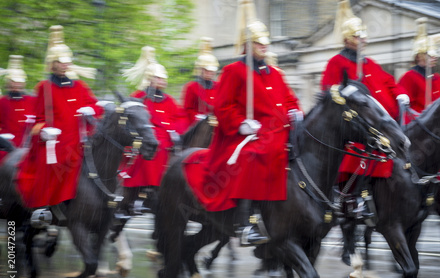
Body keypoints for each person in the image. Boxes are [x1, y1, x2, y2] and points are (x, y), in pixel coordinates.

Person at [183, 0, 302, 246]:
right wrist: (241, 123)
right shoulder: (234, 71)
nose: (264, 46)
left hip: (280, 133)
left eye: (265, 42)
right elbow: (222, 106)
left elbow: (289, 99)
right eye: (259, 42)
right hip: (248, 136)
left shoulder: (275, 73)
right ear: (248, 44)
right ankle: (245, 223)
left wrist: (295, 112)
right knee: (250, 156)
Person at [15, 25, 103, 213]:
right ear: (53, 63)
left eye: (67, 61)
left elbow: (95, 106)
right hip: (54, 144)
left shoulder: (79, 86)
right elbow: (36, 121)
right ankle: (42, 207)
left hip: (77, 142)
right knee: (48, 168)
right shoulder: (44, 88)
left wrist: (91, 109)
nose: (65, 64)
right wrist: (45, 130)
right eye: (61, 61)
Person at [119, 46, 190, 215]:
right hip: (144, 138)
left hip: (166, 140)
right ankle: (141, 194)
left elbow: (181, 117)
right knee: (151, 150)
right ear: (151, 80)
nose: (163, 82)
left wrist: (175, 131)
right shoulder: (138, 97)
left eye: (163, 79)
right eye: (159, 78)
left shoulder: (169, 100)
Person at [321, 0, 409, 120]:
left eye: (364, 36)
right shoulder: (336, 62)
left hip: (389, 119)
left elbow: (390, 82)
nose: (364, 40)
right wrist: (344, 92)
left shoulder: (370, 62)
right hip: (365, 123)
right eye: (358, 37)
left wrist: (400, 94)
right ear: (347, 39)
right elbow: (328, 92)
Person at [398, 18, 440, 124]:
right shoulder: (409, 77)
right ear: (419, 56)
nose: (435, 57)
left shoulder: (438, 78)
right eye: (430, 55)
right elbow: (405, 109)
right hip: (420, 125)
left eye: (435, 55)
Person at [0, 55, 36, 161]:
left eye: (19, 82)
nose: (17, 85)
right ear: (9, 83)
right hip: (6, 146)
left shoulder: (32, 101)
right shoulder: (2, 102)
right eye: (14, 81)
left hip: (27, 146)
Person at [182, 37, 219, 127]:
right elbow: (188, 109)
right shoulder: (191, 87)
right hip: (199, 125)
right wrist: (197, 117)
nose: (210, 73)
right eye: (207, 70)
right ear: (200, 70)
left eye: (212, 71)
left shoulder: (219, 86)